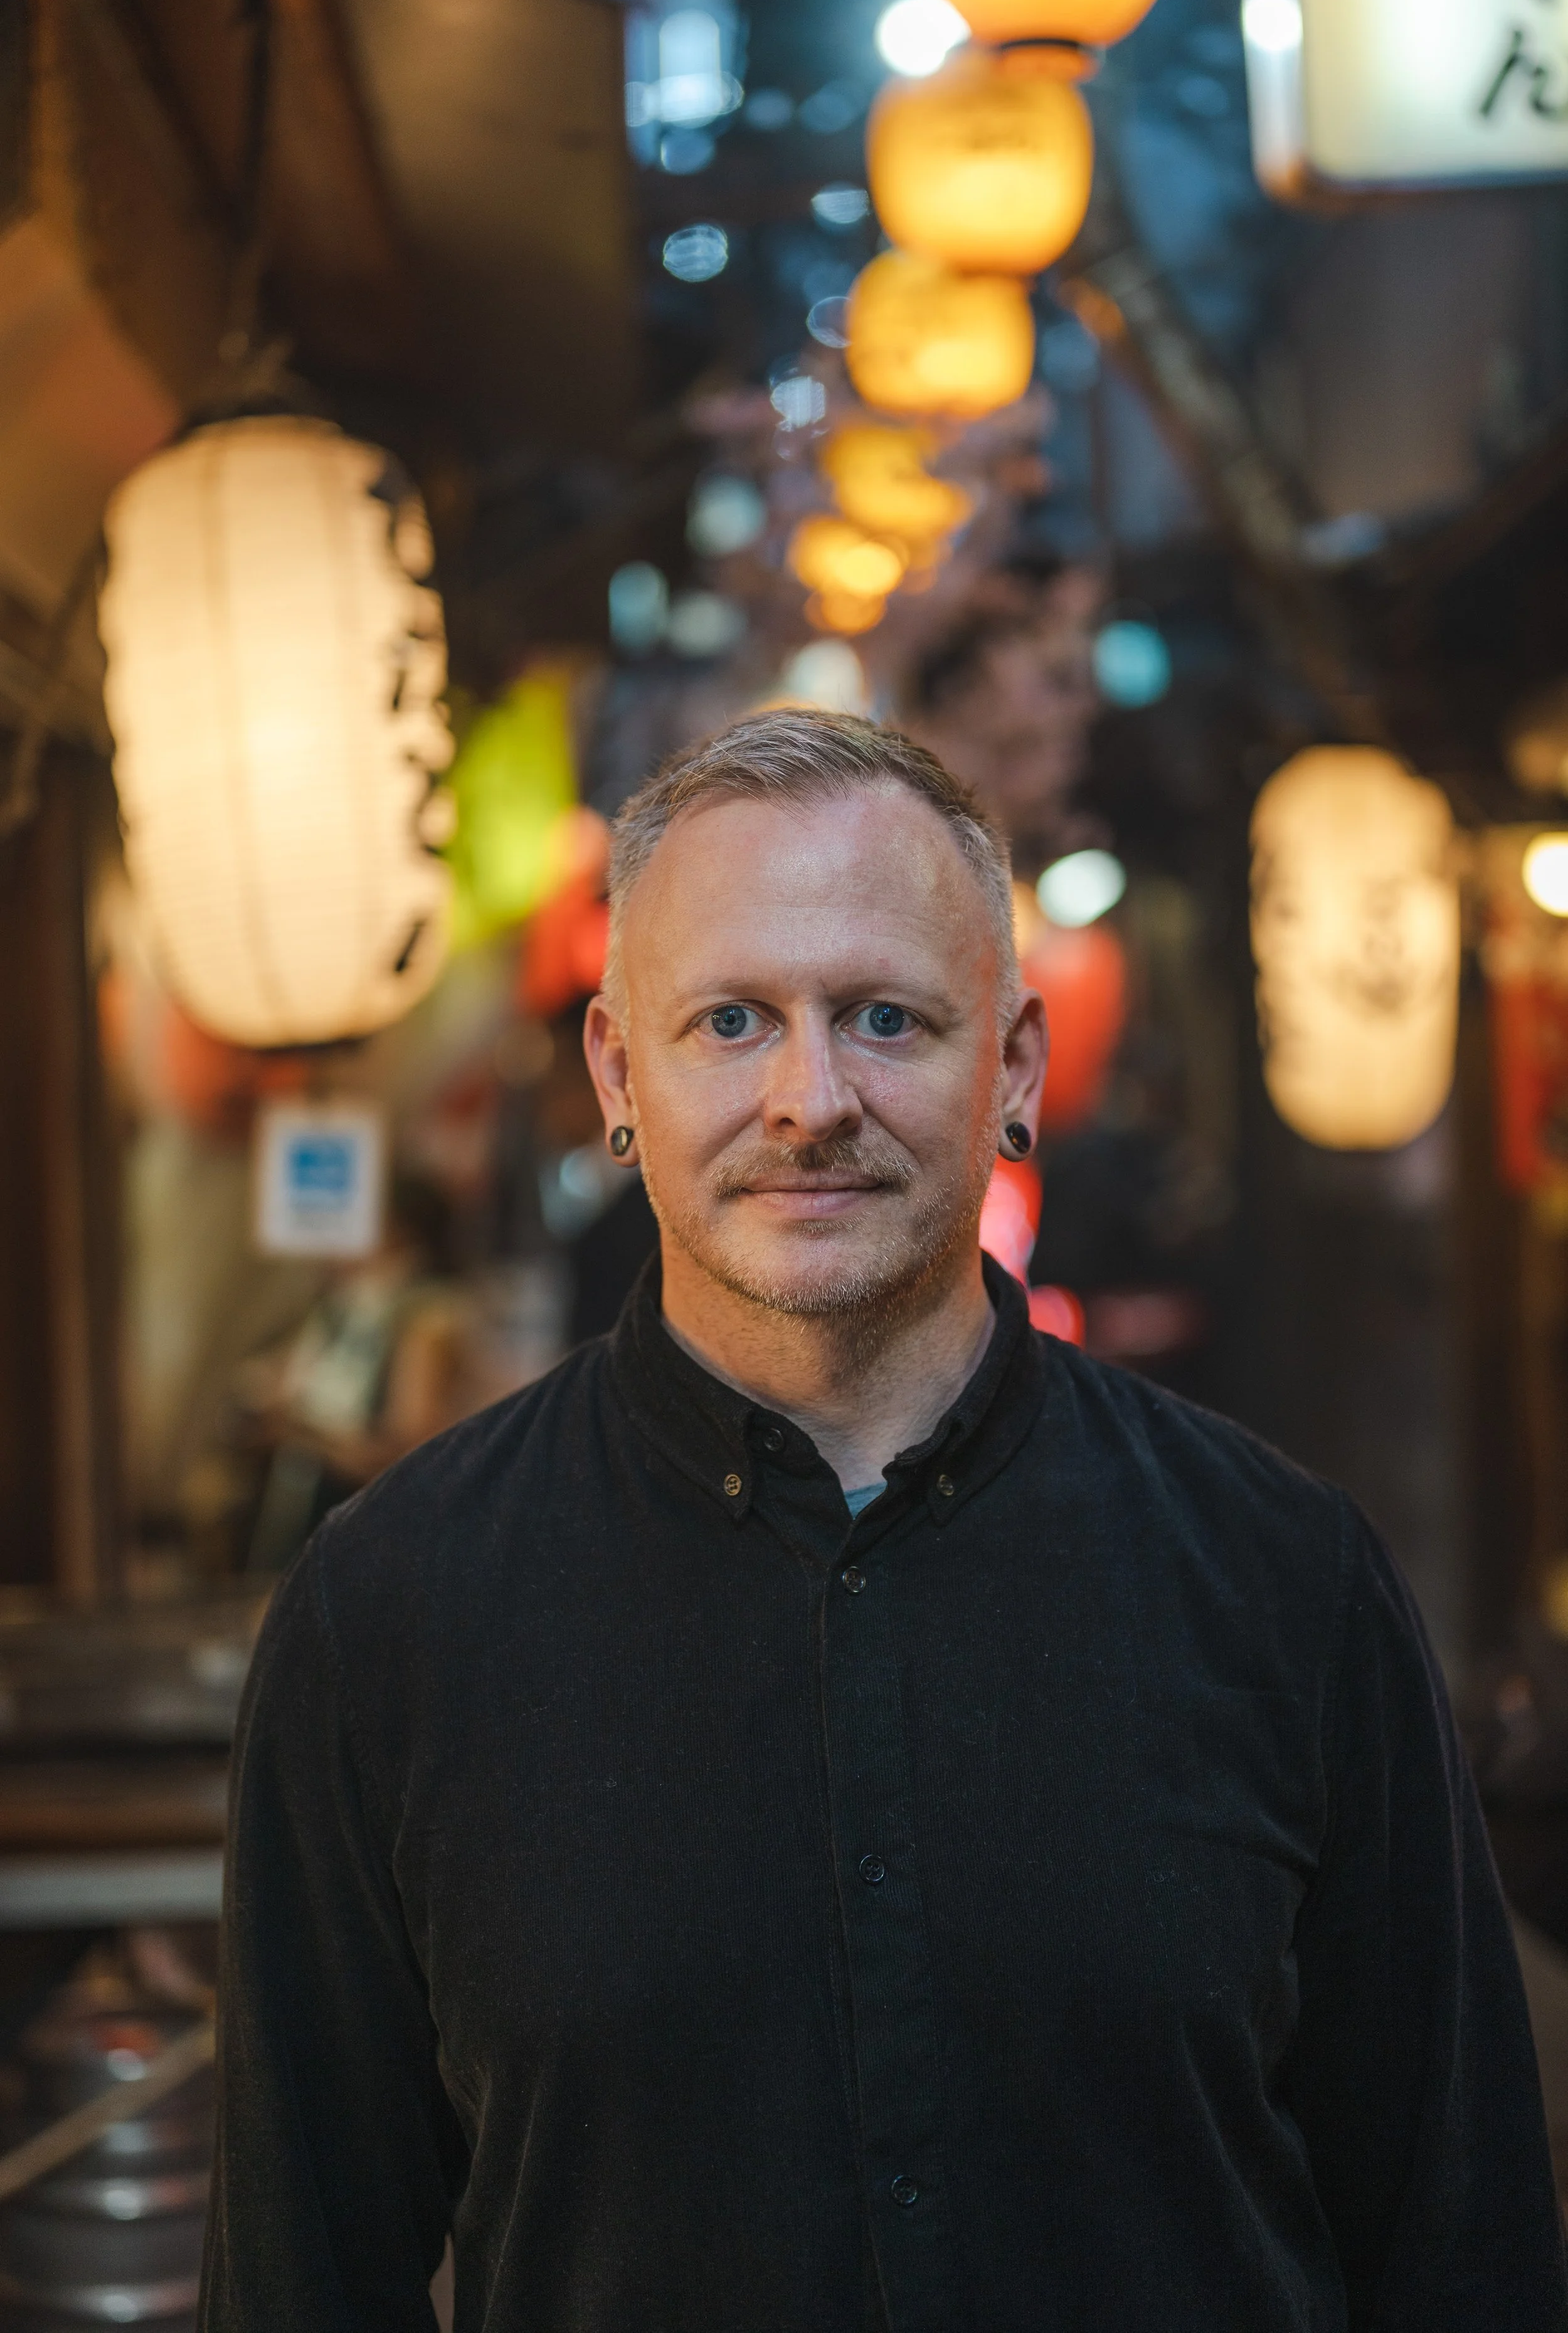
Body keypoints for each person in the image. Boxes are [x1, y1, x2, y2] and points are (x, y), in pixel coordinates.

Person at [201, 709, 1568, 2333]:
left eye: (885, 1018)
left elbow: (1459, 2248)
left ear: (1012, 1068)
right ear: (616, 1071)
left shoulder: (1283, 1577)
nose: (809, 1097)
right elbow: (302, 2281)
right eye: (728, 1019)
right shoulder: (391, 1611)